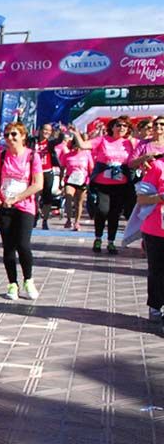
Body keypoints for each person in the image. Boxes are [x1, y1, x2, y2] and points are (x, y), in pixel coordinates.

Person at [0, 123, 45, 301]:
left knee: (23, 244)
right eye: (6, 135)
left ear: (23, 136)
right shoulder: (1, 156)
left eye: (14, 134)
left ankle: (28, 279)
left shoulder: (32, 156)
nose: (10, 138)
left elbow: (38, 184)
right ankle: (12, 283)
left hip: (25, 206)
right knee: (8, 246)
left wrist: (17, 198)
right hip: (4, 205)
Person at [84, 116, 136, 254]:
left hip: (120, 185)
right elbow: (84, 145)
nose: (121, 128)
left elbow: (137, 157)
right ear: (112, 127)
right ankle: (98, 238)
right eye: (118, 125)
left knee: (114, 214)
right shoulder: (103, 140)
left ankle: (111, 242)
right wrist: (75, 134)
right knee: (102, 211)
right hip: (102, 184)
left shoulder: (129, 143)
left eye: (125, 126)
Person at [137, 155, 164, 330]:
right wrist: (161, 198)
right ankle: (155, 306)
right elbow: (142, 199)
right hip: (156, 229)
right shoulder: (157, 166)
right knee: (157, 271)